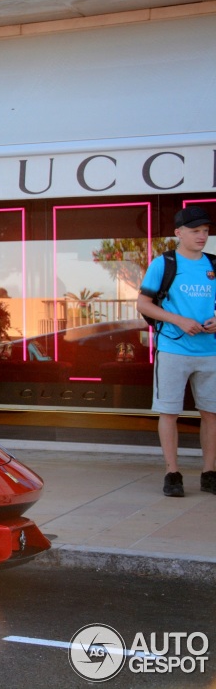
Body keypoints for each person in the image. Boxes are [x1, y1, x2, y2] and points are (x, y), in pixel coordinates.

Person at [136, 205, 216, 498]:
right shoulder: (164, 263)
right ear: (178, 233)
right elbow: (143, 304)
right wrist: (179, 319)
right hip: (173, 349)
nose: (202, 236)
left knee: (212, 414)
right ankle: (172, 473)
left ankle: (209, 473)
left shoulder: (213, 265)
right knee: (169, 412)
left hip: (211, 352)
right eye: (195, 231)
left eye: (206, 231)